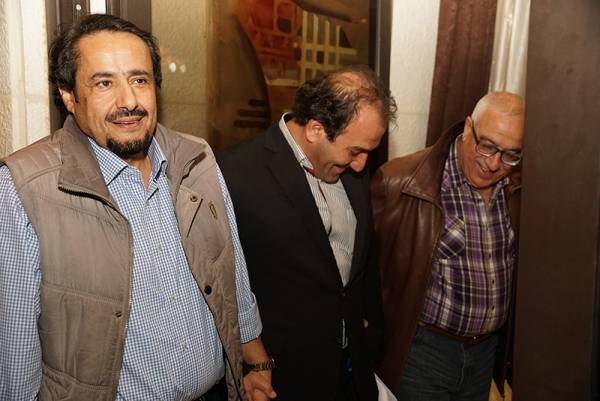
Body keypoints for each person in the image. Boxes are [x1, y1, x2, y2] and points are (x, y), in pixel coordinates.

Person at [0, 14, 275, 401]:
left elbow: (232, 275)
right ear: (68, 95)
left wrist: (256, 363)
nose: (129, 101)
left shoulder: (197, 159)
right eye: (104, 83)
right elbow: (15, 356)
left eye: (139, 80)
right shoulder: (24, 187)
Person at [217, 65, 396, 401]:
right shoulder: (234, 173)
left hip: (350, 369)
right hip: (281, 377)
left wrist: (367, 327)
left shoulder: (351, 169)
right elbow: (223, 285)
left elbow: (363, 259)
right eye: (355, 151)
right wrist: (249, 364)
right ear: (315, 129)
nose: (361, 165)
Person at [372, 92, 525, 400]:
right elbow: (368, 275)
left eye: (510, 154)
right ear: (468, 128)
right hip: (423, 353)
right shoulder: (399, 181)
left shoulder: (519, 187)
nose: (494, 163)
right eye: (487, 146)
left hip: (485, 353)